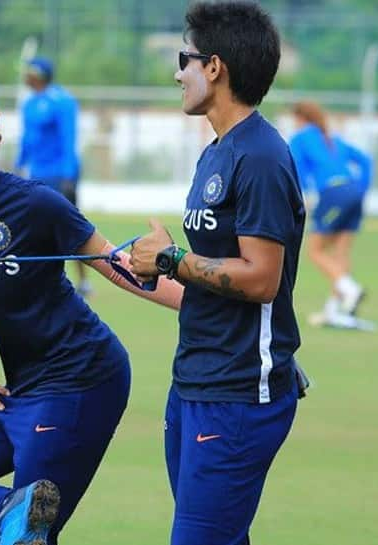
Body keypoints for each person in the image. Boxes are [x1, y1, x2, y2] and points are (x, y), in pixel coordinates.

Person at [0, 80, 184, 545]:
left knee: (28, 534)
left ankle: (20, 521)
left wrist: (213, 306)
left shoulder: (36, 203)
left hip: (82, 378)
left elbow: (114, 266)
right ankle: (15, 515)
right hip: (22, 388)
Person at [128, 2, 304, 544]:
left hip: (237, 397)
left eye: (186, 58)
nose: (177, 72)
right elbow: (200, 287)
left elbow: (261, 278)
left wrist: (170, 259)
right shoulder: (217, 152)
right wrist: (113, 260)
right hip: (194, 384)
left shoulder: (262, 158)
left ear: (214, 67)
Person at [289, 101, 373, 323]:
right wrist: (361, 189)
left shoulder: (299, 138)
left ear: (300, 118)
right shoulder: (332, 138)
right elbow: (365, 161)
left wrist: (304, 195)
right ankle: (334, 309)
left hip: (332, 193)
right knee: (340, 253)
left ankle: (351, 289)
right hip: (353, 191)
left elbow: (295, 169)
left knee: (315, 251)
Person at [15, 57, 90, 297]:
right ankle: (40, 277)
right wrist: (18, 167)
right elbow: (27, 140)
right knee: (34, 227)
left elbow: (69, 138)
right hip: (37, 174)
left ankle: (83, 280)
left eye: (29, 73)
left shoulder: (62, 101)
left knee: (70, 226)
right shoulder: (28, 104)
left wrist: (68, 175)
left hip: (60, 173)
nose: (25, 77)